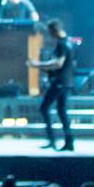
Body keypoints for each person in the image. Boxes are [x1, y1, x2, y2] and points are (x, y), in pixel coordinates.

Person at [31, 19, 74, 152]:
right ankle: (69, 141)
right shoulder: (68, 43)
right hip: (66, 81)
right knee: (61, 111)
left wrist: (37, 65)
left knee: (44, 108)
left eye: (50, 32)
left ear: (54, 31)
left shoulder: (62, 44)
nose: (49, 36)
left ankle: (52, 140)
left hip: (60, 81)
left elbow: (58, 64)